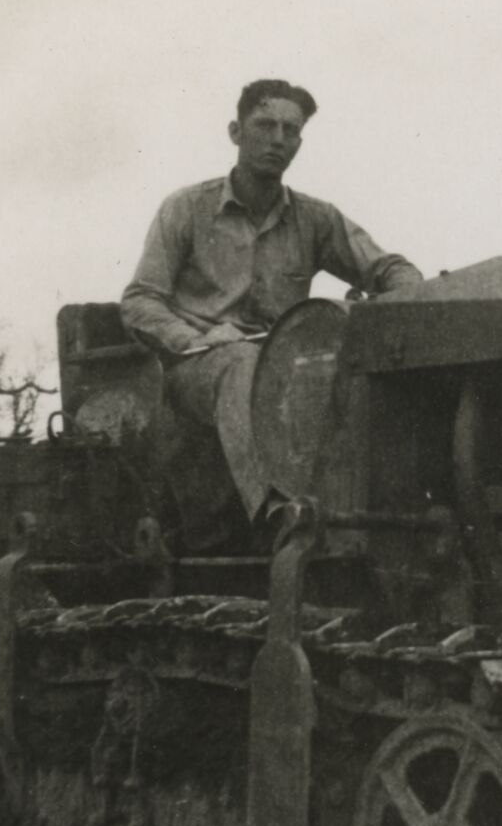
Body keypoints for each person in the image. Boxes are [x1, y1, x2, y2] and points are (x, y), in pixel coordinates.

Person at [121, 79, 422, 521]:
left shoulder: (316, 218)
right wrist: (194, 338)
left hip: (286, 364)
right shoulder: (185, 209)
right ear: (235, 132)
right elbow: (139, 301)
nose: (278, 140)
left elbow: (386, 266)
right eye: (264, 125)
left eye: (291, 130)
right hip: (198, 369)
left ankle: (379, 513)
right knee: (243, 363)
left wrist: (407, 293)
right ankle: (277, 511)